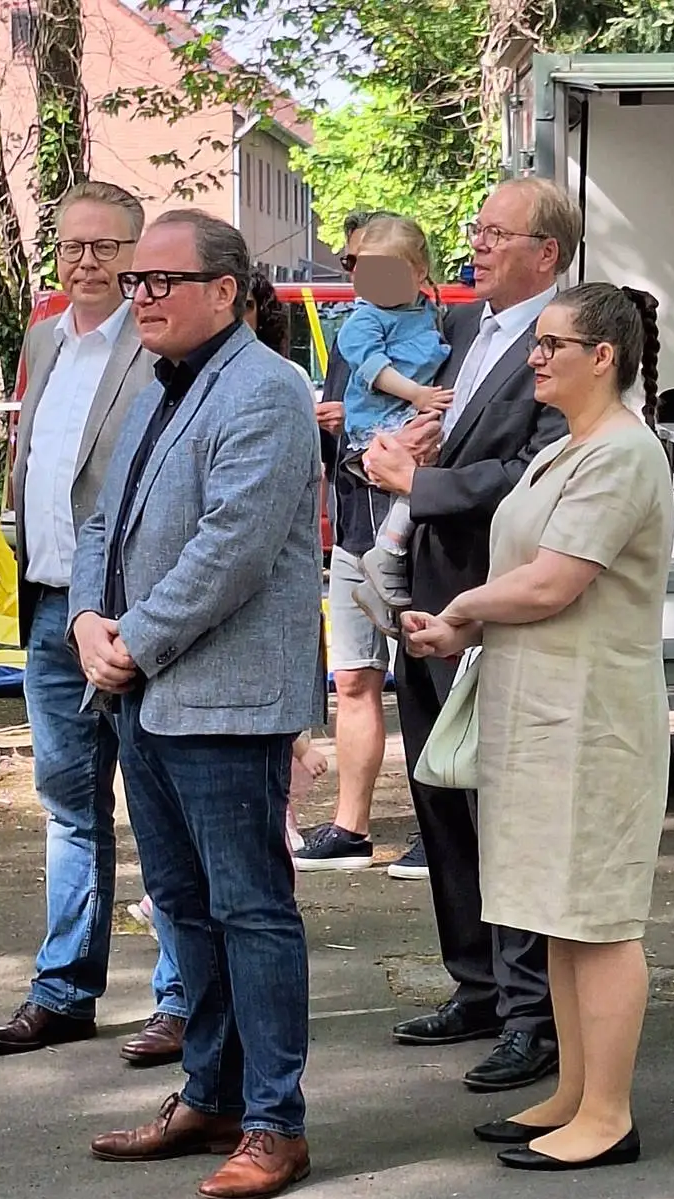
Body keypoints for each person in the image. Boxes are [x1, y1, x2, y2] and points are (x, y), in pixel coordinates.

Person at [72, 211, 322, 1199]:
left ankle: (276, 1124)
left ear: (227, 291)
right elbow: (104, 518)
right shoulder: (157, 386)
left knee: (251, 912)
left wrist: (133, 640)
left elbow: (234, 550)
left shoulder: (265, 390)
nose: (141, 296)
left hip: (223, 701)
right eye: (136, 281)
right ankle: (211, 1096)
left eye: (162, 281)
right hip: (149, 694)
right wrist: (89, 618)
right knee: (184, 909)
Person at [404, 283, 673, 1170]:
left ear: (606, 356)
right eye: (538, 343)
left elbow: (555, 582)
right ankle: (573, 1094)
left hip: (593, 717)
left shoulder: (623, 454)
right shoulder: (566, 451)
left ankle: (609, 1115)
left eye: (555, 344)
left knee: (596, 917)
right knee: (557, 914)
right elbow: (524, 573)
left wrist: (464, 607)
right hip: (541, 709)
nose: (535, 357)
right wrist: (462, 623)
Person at [362, 177, 584, 1093]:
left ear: (548, 252)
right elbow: (443, 444)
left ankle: (534, 1014)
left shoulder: (569, 338)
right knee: (441, 800)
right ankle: (478, 984)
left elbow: (537, 469)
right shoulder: (463, 331)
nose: (477, 245)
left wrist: (422, 486)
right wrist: (394, 457)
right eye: (476, 229)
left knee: (505, 812)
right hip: (425, 596)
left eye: (497, 233)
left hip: (493, 603)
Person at [0, 181, 189, 1069]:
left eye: (107, 249)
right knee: (68, 809)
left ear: (138, 260)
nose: (88, 263)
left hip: (133, 612)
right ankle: (64, 992)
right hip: (52, 609)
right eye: (73, 246)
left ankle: (180, 999)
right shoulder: (44, 337)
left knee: (162, 809)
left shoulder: (162, 345)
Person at [297, 210, 427, 881]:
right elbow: (340, 433)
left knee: (427, 681)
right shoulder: (353, 334)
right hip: (352, 530)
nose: (352, 276)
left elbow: (442, 420)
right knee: (353, 677)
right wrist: (330, 423)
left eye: (364, 265)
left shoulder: (440, 335)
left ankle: (441, 830)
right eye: (349, 265)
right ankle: (350, 827)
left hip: (415, 536)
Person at [334, 215, 453, 630]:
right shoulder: (365, 318)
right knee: (414, 478)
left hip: (411, 413)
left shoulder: (425, 312)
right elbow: (372, 367)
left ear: (419, 272)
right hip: (380, 423)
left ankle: (387, 563)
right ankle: (385, 554)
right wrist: (418, 395)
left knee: (426, 479)